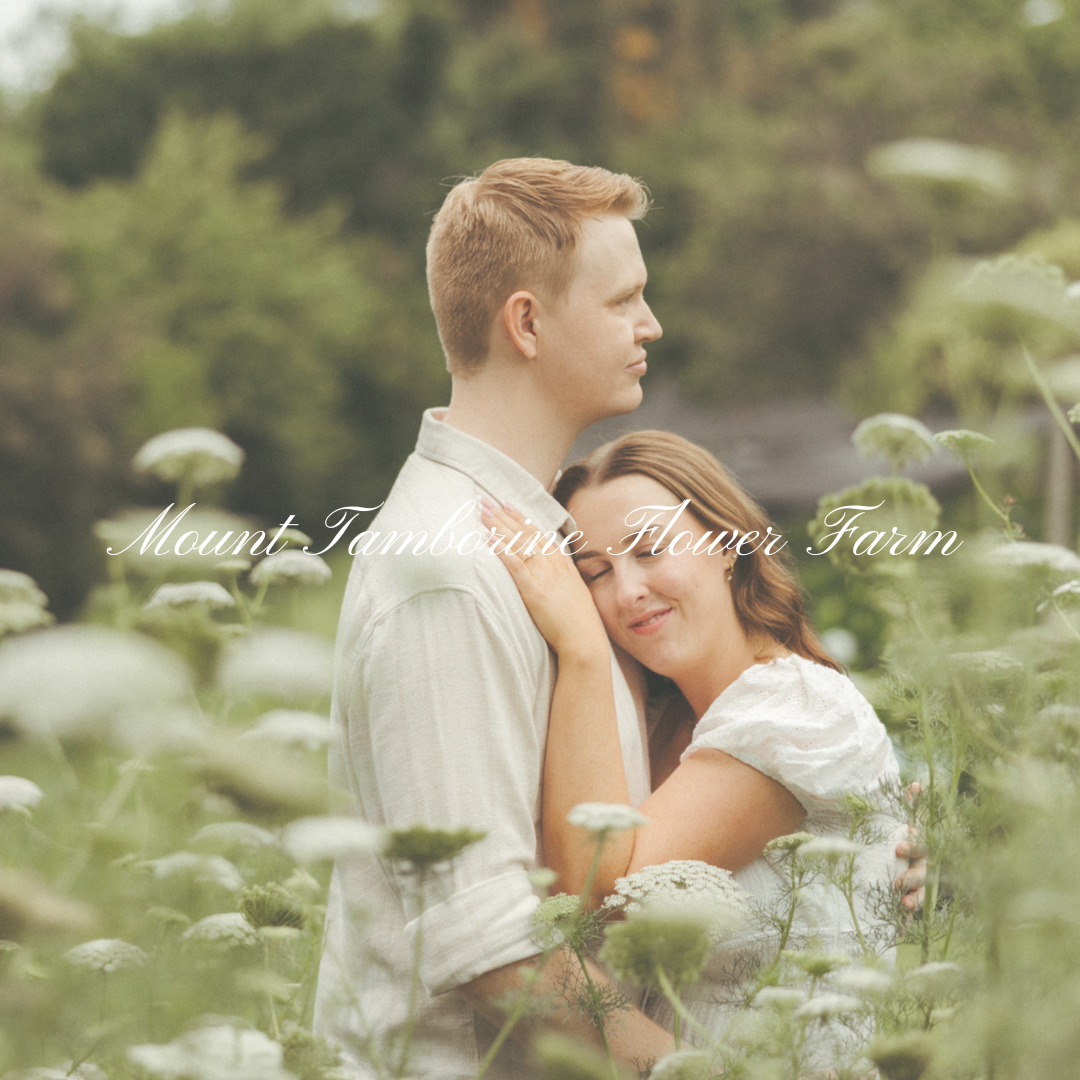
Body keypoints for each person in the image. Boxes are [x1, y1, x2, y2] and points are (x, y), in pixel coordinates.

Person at [313, 158, 676, 1079]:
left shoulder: (535, 540)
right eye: (624, 299)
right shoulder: (446, 572)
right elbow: (499, 958)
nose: (651, 325)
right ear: (526, 322)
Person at [480, 430, 910, 1046]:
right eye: (594, 573)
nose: (626, 591)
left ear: (728, 545)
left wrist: (579, 647)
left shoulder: (791, 709)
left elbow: (602, 897)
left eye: (650, 550)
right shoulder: (662, 719)